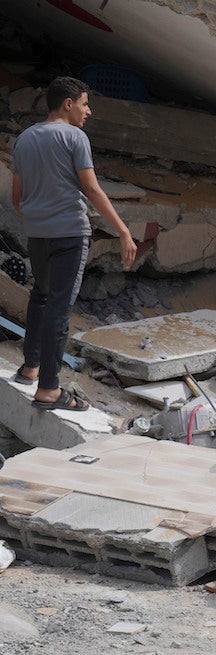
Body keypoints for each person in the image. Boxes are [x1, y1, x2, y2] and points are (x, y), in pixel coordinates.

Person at [10, 76, 136, 411]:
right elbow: (92, 190)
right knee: (59, 308)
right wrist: (123, 230)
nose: (88, 111)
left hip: (38, 234)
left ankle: (30, 368)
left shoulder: (23, 140)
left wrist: (38, 220)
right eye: (84, 103)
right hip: (69, 234)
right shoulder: (74, 137)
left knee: (40, 296)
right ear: (68, 104)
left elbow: (16, 198)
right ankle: (49, 390)